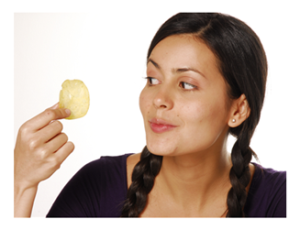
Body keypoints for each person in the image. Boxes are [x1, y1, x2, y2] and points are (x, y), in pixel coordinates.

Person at [14, 13, 286, 217]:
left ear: (237, 110)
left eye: (186, 84)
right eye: (152, 78)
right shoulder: (97, 186)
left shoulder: (283, 199)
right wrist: (20, 184)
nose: (158, 99)